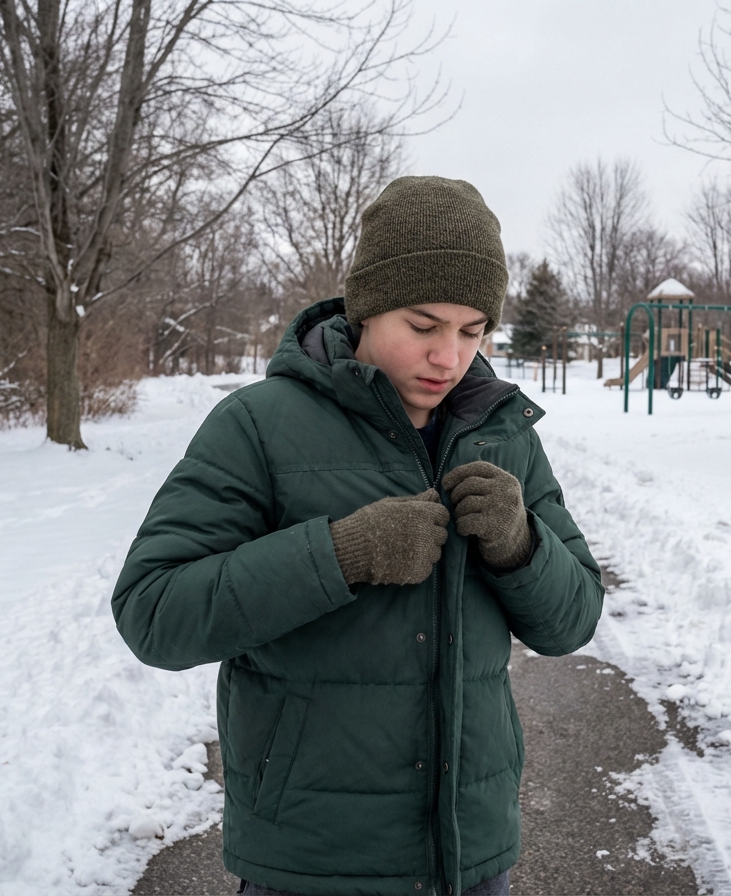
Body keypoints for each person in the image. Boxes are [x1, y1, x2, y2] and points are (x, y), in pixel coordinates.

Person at [112, 176, 604, 896]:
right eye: (424, 326)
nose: (449, 358)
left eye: (472, 331)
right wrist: (341, 554)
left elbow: (573, 621)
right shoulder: (258, 425)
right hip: (309, 862)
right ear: (367, 306)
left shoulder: (503, 434)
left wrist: (520, 543)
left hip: (469, 858)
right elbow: (154, 613)